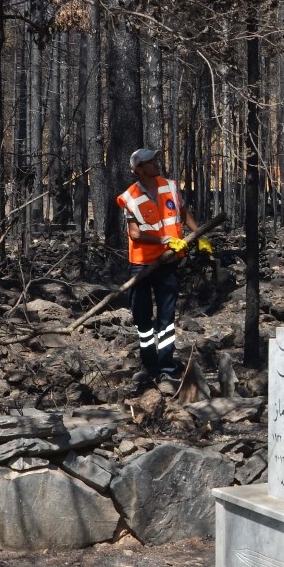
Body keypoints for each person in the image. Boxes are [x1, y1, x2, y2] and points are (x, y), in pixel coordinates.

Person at [116, 148, 210, 388]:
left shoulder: (169, 186)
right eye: (150, 161)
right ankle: (150, 365)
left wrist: (198, 235)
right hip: (142, 264)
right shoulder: (129, 197)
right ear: (138, 169)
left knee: (166, 318)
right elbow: (135, 233)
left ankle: (167, 367)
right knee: (143, 319)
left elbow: (182, 212)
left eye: (156, 159)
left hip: (168, 262)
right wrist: (164, 240)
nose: (156, 163)